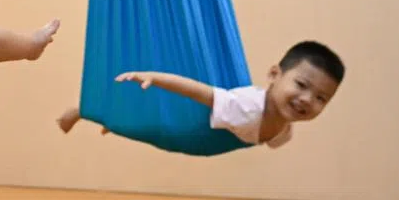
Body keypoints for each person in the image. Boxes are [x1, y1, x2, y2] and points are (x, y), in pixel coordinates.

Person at [56, 41, 344, 148]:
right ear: (273, 75)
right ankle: (85, 110)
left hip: (209, 136)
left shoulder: (285, 125)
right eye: (301, 84)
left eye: (321, 98)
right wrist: (155, 77)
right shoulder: (246, 106)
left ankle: (118, 120)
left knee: (143, 126)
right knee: (151, 129)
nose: (307, 99)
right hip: (193, 130)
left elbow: (273, 140)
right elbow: (198, 91)